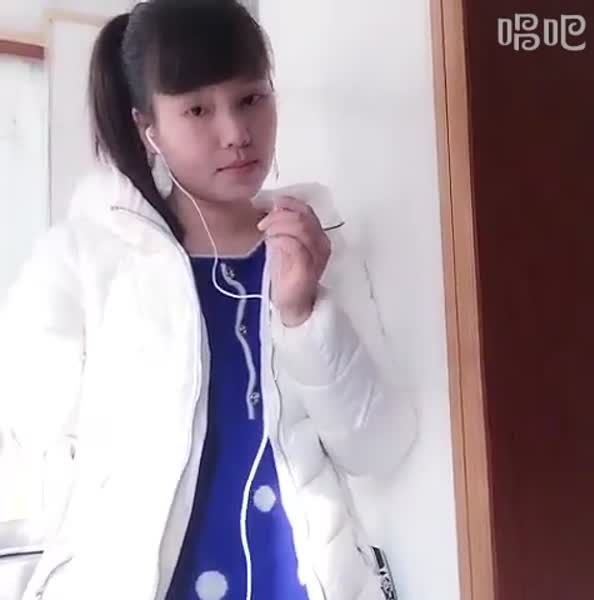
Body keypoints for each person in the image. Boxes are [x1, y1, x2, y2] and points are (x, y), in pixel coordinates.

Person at [0, 1, 416, 599]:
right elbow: (29, 435)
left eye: (251, 98)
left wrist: (304, 314)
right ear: (149, 129)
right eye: (198, 109)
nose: (236, 132)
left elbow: (378, 447)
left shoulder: (314, 246)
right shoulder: (83, 258)